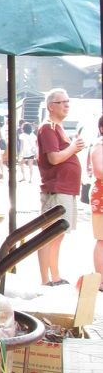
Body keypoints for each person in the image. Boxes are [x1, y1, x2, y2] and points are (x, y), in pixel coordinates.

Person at [36, 88, 85, 287]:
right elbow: (54, 158)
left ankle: (54, 276)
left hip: (65, 188)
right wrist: (73, 147)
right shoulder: (48, 127)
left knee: (58, 235)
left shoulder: (58, 127)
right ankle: (46, 279)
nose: (66, 105)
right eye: (61, 102)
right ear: (50, 106)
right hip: (56, 188)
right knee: (49, 235)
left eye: (67, 101)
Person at [87, 114, 103, 291]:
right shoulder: (99, 145)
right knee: (102, 239)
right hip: (101, 198)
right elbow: (99, 171)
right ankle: (100, 280)